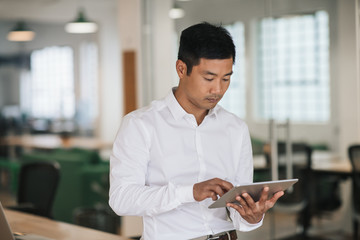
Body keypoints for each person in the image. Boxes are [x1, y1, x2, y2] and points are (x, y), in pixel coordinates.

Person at [109, 22, 283, 240]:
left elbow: (239, 208)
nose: (218, 89)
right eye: (209, 78)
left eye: (226, 78)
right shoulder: (140, 124)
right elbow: (121, 199)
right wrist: (189, 192)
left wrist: (252, 216)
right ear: (181, 69)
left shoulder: (235, 128)